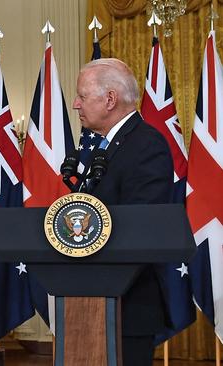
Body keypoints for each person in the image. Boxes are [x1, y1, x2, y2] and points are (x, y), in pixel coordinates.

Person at [72, 58, 174, 365]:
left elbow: (139, 224)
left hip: (128, 306)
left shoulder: (146, 144)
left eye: (83, 96)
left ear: (110, 99)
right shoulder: (108, 146)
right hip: (94, 303)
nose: (76, 104)